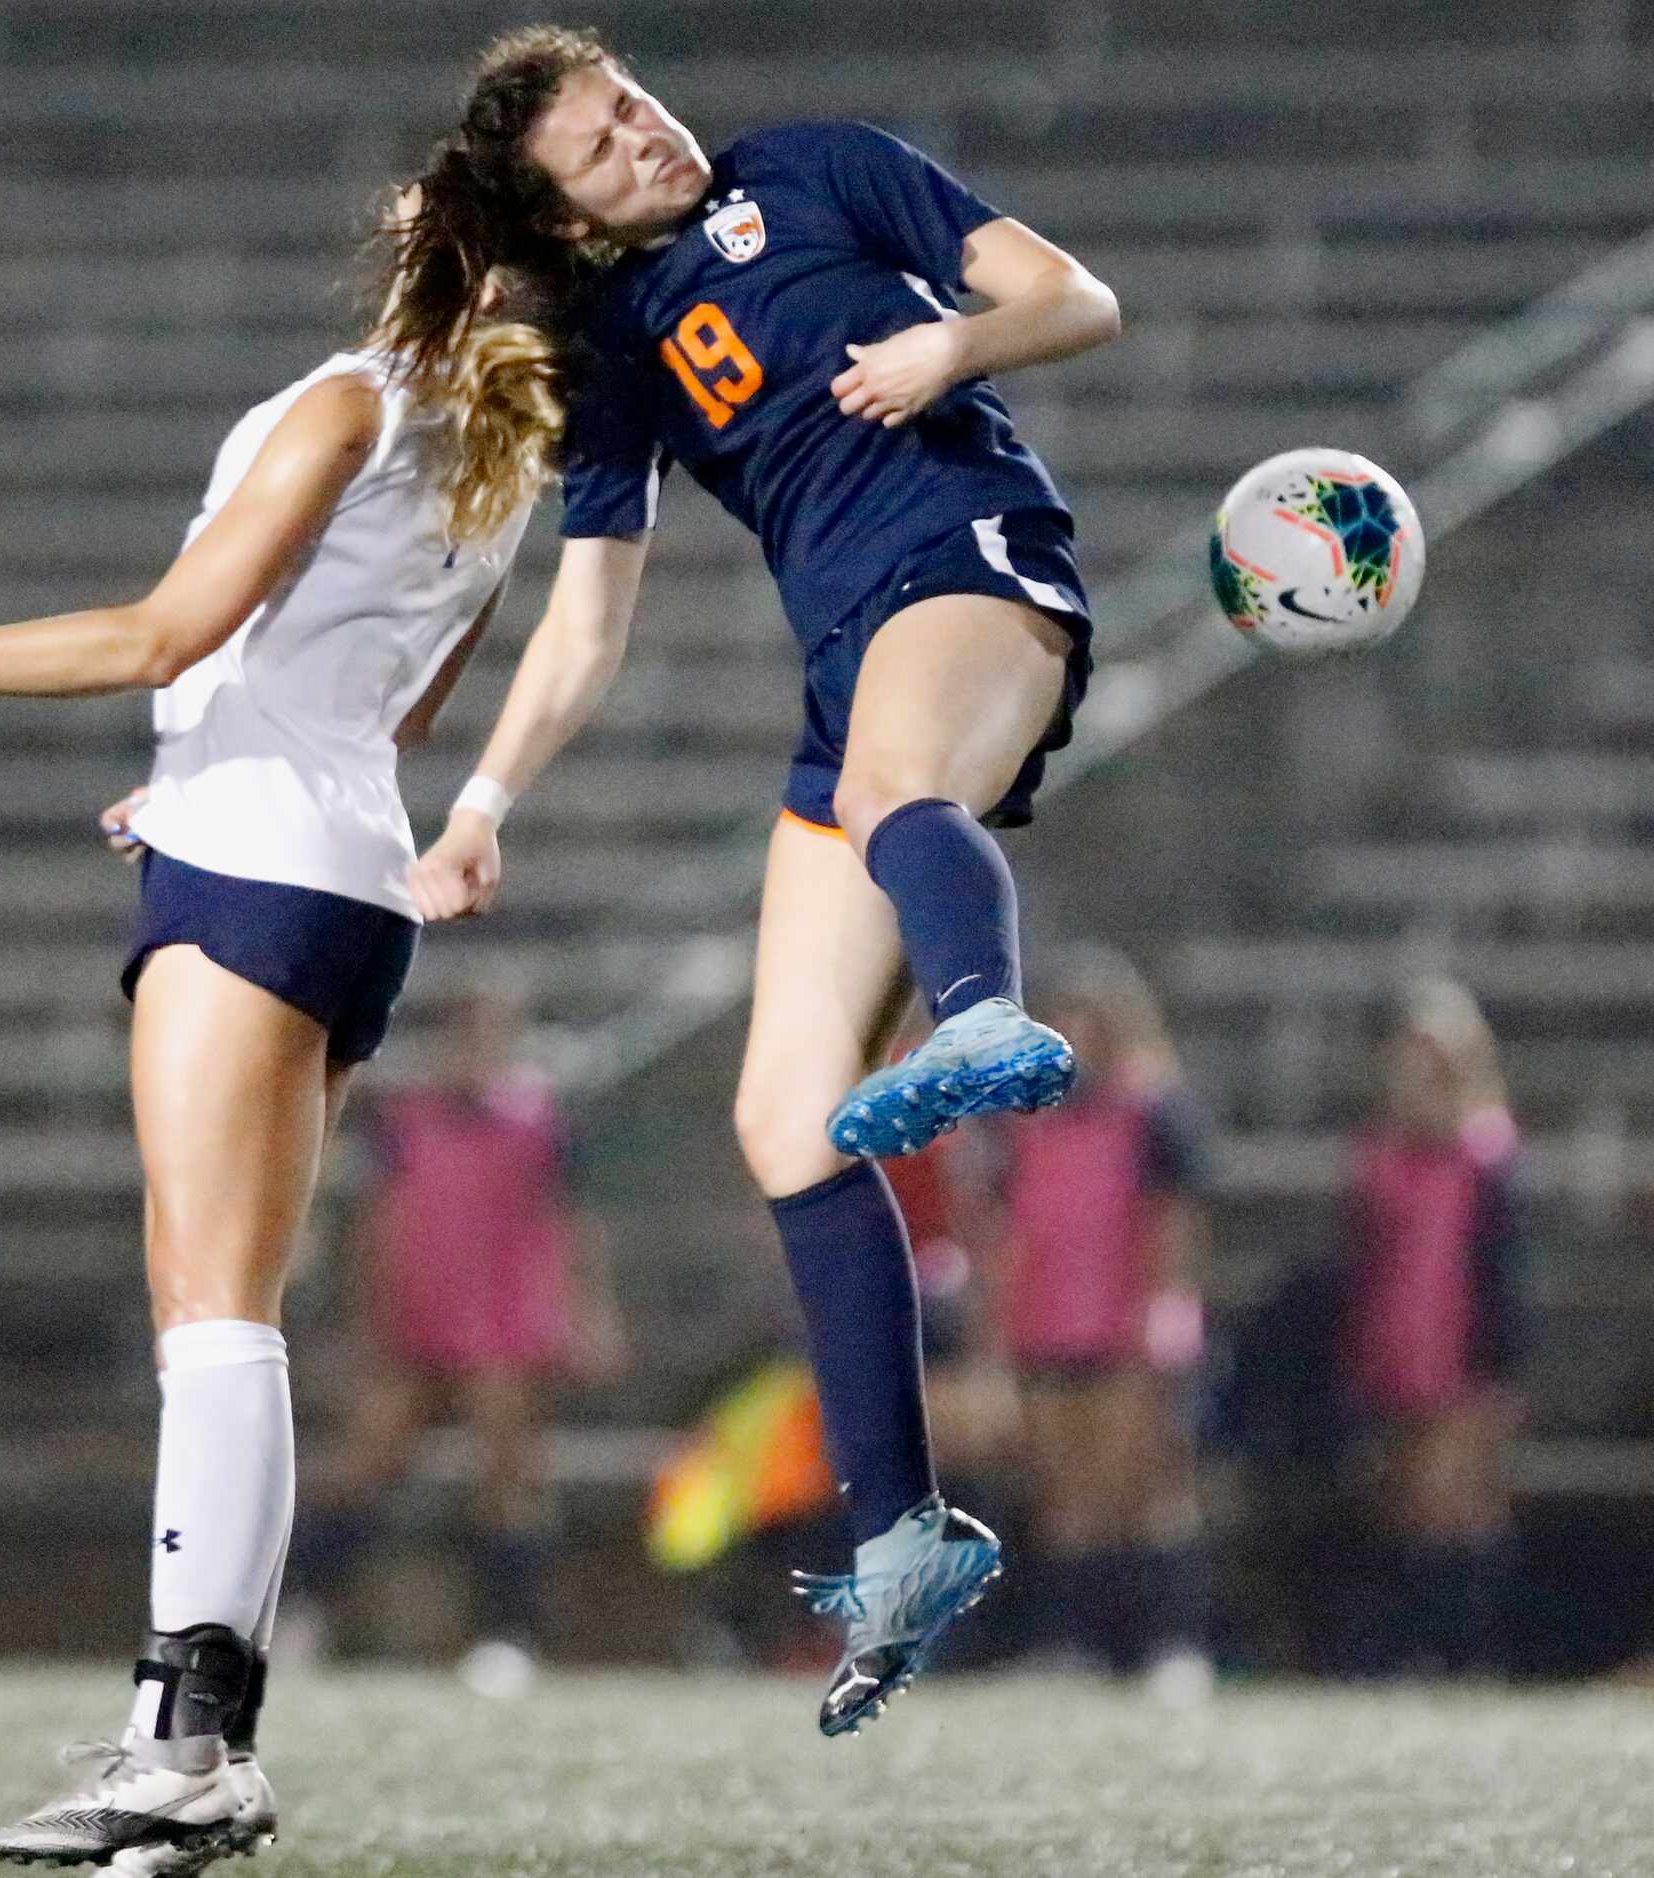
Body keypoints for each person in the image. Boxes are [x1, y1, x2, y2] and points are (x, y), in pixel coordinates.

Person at [0, 201, 570, 1870]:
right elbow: (388, 703)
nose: (414, 191)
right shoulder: (497, 447)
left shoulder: (360, 397)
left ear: (464, 258)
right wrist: (193, 761)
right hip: (339, 869)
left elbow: (158, 631)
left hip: (255, 865)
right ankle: (182, 1736)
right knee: (229, 1312)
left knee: (208, 1319)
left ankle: (190, 1731)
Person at [401, 26, 1123, 1734]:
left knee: (893, 781)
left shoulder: (815, 164)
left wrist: (951, 342)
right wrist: (486, 795)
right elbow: (587, 614)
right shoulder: (611, 344)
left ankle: (978, 1011)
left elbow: (1071, 297)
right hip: (844, 671)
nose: (643, 135)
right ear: (568, 220)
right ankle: (899, 1534)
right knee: (784, 1122)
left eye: (629, 101)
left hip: (970, 567)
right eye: (597, 144)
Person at [291, 977, 625, 1691]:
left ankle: (510, 1632)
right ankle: (303, 1614)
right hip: (419, 1308)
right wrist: (362, 1319)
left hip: (505, 1314)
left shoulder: (543, 1118)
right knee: (364, 1463)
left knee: (507, 1473)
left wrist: (588, 1313)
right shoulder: (404, 1119)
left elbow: (571, 1222)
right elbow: (377, 1225)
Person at [986, 948, 1214, 1694]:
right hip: (1050, 1325)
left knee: (1143, 1491)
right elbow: (1008, 1231)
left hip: (1125, 1327)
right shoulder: (1026, 1120)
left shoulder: (1155, 1114)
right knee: (1067, 1497)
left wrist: (1165, 1318)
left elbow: (1172, 1227)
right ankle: (1071, 1644)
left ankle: (1170, 1643)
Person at [1337, 977, 1529, 1675]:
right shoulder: (1380, 1159)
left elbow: (1503, 1275)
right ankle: (1416, 1649)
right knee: (1407, 1504)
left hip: (1464, 1353)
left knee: (1460, 1504)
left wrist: (1499, 1368)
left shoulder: (1488, 1156)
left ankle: (1468, 1652)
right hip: (1394, 1346)